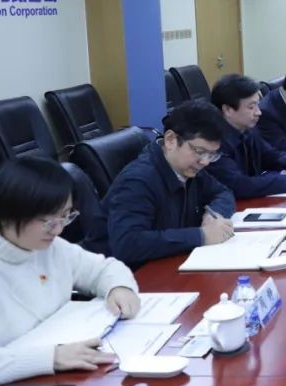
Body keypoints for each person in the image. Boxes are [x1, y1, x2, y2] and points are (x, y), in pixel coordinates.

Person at [0, 158, 140, 386]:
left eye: (65, 216)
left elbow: (104, 268)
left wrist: (119, 287)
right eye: (48, 221)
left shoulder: (49, 247)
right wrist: (50, 358)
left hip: (64, 380)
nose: (59, 229)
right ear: (6, 213)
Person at [95, 101, 236, 268]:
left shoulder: (189, 168)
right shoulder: (138, 181)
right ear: (170, 140)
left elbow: (223, 193)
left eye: (211, 154)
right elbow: (128, 244)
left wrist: (212, 215)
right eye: (199, 152)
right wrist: (201, 236)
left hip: (166, 264)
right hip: (122, 275)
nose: (205, 162)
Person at [206, 74, 286, 199]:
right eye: (251, 107)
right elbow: (238, 185)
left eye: (258, 105)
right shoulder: (213, 142)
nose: (258, 112)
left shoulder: (247, 128)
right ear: (227, 109)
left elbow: (268, 154)